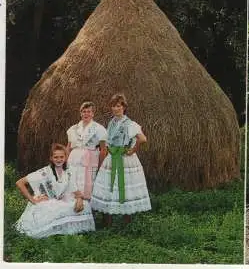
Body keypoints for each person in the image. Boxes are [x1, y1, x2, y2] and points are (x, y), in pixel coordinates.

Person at [91, 94, 151, 226]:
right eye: (113, 106)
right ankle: (108, 223)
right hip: (112, 158)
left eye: (118, 106)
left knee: (125, 188)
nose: (116, 108)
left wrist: (133, 149)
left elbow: (143, 139)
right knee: (109, 187)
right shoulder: (112, 122)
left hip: (124, 160)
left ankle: (127, 224)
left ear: (124, 107)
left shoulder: (130, 124)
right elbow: (108, 142)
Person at [15, 144, 95, 238]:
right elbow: (19, 182)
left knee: (85, 205)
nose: (59, 159)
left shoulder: (68, 172)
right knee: (55, 209)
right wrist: (33, 201)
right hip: (45, 202)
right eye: (56, 157)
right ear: (51, 158)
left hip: (59, 200)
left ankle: (65, 228)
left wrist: (79, 199)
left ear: (66, 157)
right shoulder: (44, 172)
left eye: (61, 157)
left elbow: (76, 192)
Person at [66, 101, 107, 201]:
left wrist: (100, 166)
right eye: (84, 111)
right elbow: (68, 147)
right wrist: (65, 162)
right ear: (80, 113)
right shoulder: (73, 129)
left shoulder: (99, 129)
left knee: (88, 185)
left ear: (93, 114)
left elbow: (103, 150)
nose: (86, 114)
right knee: (73, 183)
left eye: (89, 111)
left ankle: (87, 210)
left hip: (90, 159)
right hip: (74, 160)